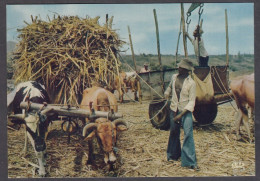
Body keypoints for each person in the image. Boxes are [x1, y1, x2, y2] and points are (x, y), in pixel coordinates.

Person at [164, 58, 199, 171]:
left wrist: (180, 115)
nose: (178, 68)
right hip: (174, 108)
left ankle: (189, 161)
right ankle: (173, 155)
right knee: (174, 132)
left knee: (188, 133)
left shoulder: (191, 83)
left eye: (181, 67)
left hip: (185, 112)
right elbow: (170, 86)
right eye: (179, 67)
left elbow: (192, 101)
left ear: (186, 70)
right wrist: (167, 92)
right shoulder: (174, 77)